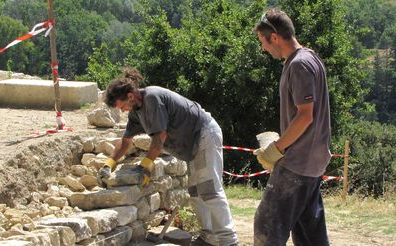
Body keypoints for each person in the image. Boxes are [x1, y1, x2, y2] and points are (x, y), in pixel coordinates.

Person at [97, 67, 239, 246]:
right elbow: (125, 141)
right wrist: (108, 164)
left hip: (203, 134)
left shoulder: (153, 98)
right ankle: (209, 238)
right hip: (190, 144)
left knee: (209, 189)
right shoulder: (136, 113)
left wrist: (145, 165)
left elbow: (160, 137)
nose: (123, 110)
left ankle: (229, 241)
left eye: (122, 106)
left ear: (130, 96)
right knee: (195, 192)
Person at [252, 8, 331, 246]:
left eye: (263, 42)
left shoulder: (299, 65)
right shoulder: (310, 58)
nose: (263, 49)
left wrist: (276, 149)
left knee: (266, 226)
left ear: (274, 37)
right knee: (309, 236)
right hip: (312, 164)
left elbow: (305, 116)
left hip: (297, 164)